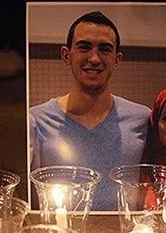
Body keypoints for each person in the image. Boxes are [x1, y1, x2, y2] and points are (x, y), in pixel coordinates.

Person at [30, 11, 150, 210]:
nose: (94, 58)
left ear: (117, 59)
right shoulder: (36, 120)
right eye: (84, 47)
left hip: (127, 230)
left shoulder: (143, 119)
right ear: (66, 55)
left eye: (105, 49)